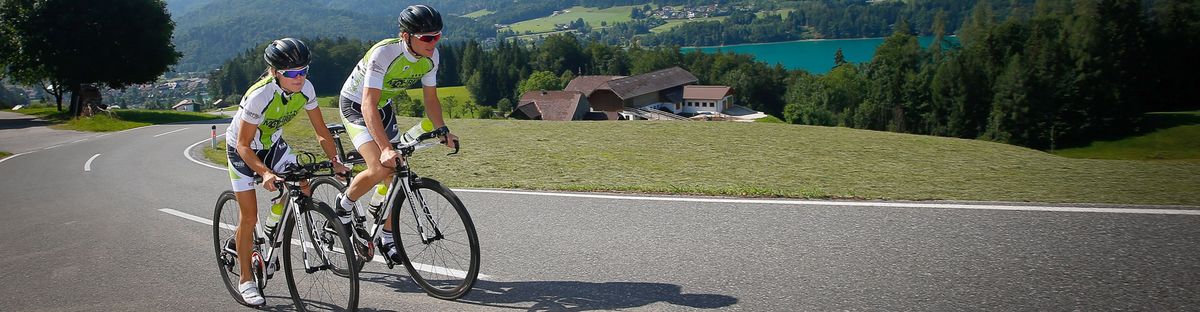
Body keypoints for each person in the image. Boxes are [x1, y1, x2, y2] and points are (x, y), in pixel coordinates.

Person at [226, 38, 348, 306]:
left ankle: (272, 227)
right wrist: (266, 173)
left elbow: (320, 131)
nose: (299, 78)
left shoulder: (307, 89)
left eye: (304, 71)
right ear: (275, 72)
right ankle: (245, 279)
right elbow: (243, 145)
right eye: (292, 73)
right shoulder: (260, 95)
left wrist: (335, 160)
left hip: (272, 145)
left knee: (302, 182)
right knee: (248, 217)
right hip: (242, 150)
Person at [335, 4, 457, 262]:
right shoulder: (384, 53)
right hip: (357, 105)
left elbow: (431, 99)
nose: (433, 42)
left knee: (396, 172)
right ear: (406, 36)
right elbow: (367, 103)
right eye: (426, 37)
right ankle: (344, 204)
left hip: (383, 106)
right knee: (379, 166)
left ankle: (386, 235)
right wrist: (385, 147)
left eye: (437, 36)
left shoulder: (431, 57)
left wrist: (443, 129)